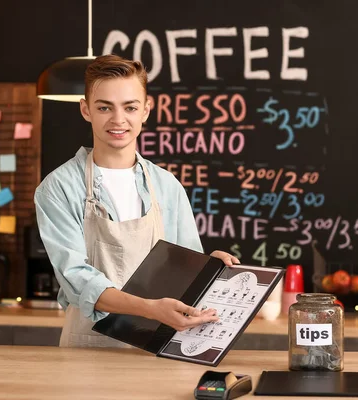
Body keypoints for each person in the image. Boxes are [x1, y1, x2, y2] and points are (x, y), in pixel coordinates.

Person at [34, 54, 240, 348]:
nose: (118, 120)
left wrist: (209, 269)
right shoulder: (58, 188)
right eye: (105, 107)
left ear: (146, 110)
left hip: (159, 344)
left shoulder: (167, 186)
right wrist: (149, 307)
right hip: (88, 346)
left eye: (129, 107)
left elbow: (184, 272)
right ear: (86, 110)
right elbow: (77, 279)